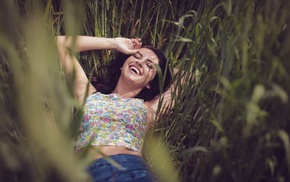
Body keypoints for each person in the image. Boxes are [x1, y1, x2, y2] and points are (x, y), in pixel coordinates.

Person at [56, 35, 173, 182]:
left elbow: (185, 78)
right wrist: (115, 43)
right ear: (122, 64)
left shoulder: (148, 108)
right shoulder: (87, 94)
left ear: (151, 82)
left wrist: (165, 68)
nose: (140, 62)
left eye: (149, 65)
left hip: (131, 171)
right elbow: (60, 43)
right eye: (136, 56)